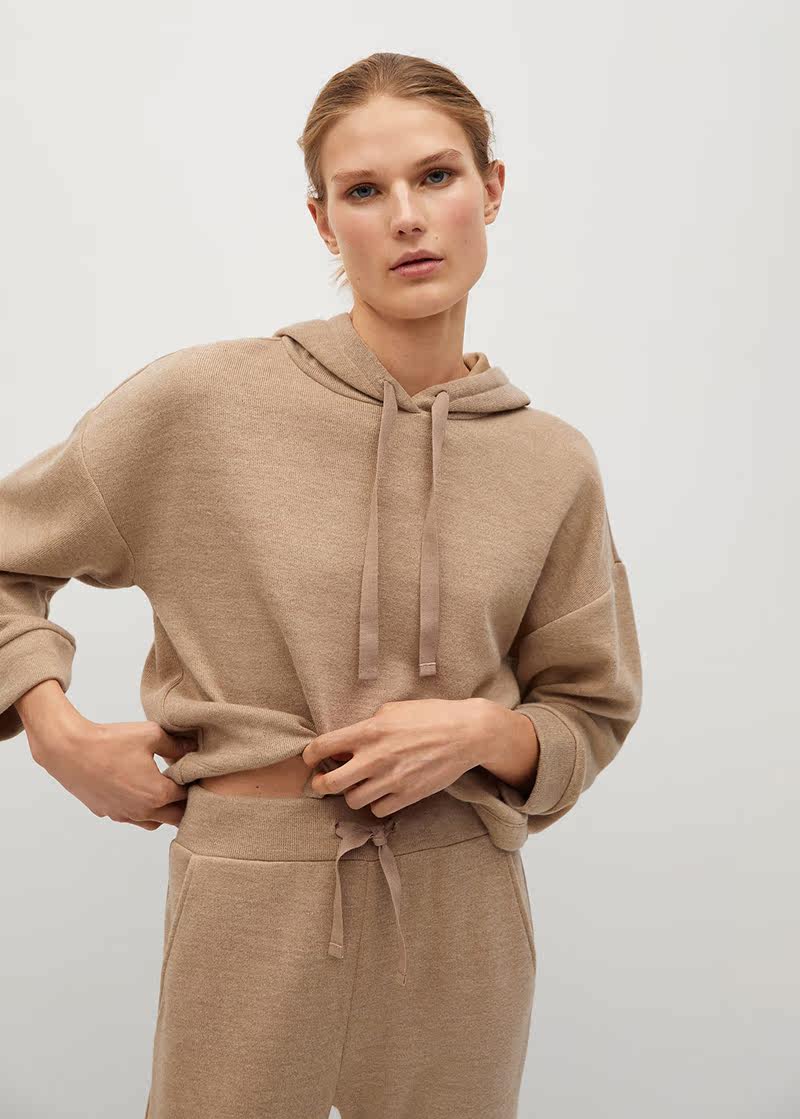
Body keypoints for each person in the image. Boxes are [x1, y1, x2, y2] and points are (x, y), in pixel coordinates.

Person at [0, 51, 643, 1119]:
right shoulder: (201, 405)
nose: (407, 218)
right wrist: (55, 730)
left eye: (436, 176)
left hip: (462, 908)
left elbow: (590, 708)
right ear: (321, 222)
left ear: (491, 188)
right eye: (364, 190)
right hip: (249, 894)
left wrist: (482, 733)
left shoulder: (551, 462)